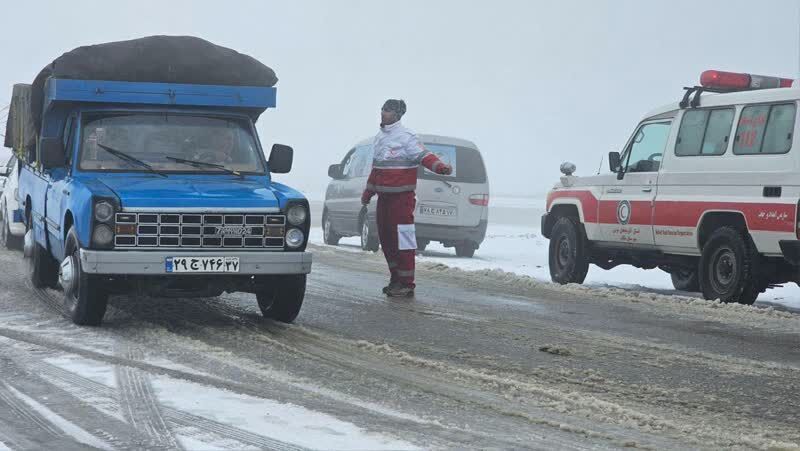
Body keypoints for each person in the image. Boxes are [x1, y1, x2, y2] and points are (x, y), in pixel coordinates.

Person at [361, 99, 452, 297]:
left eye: (389, 111)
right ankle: (395, 278)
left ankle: (407, 283)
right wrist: (368, 194)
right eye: (383, 109)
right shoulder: (379, 138)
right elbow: (376, 170)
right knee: (387, 240)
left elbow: (424, 156)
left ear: (398, 115)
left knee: (404, 241)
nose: (384, 113)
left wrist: (440, 167)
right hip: (384, 199)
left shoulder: (406, 137)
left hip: (402, 200)